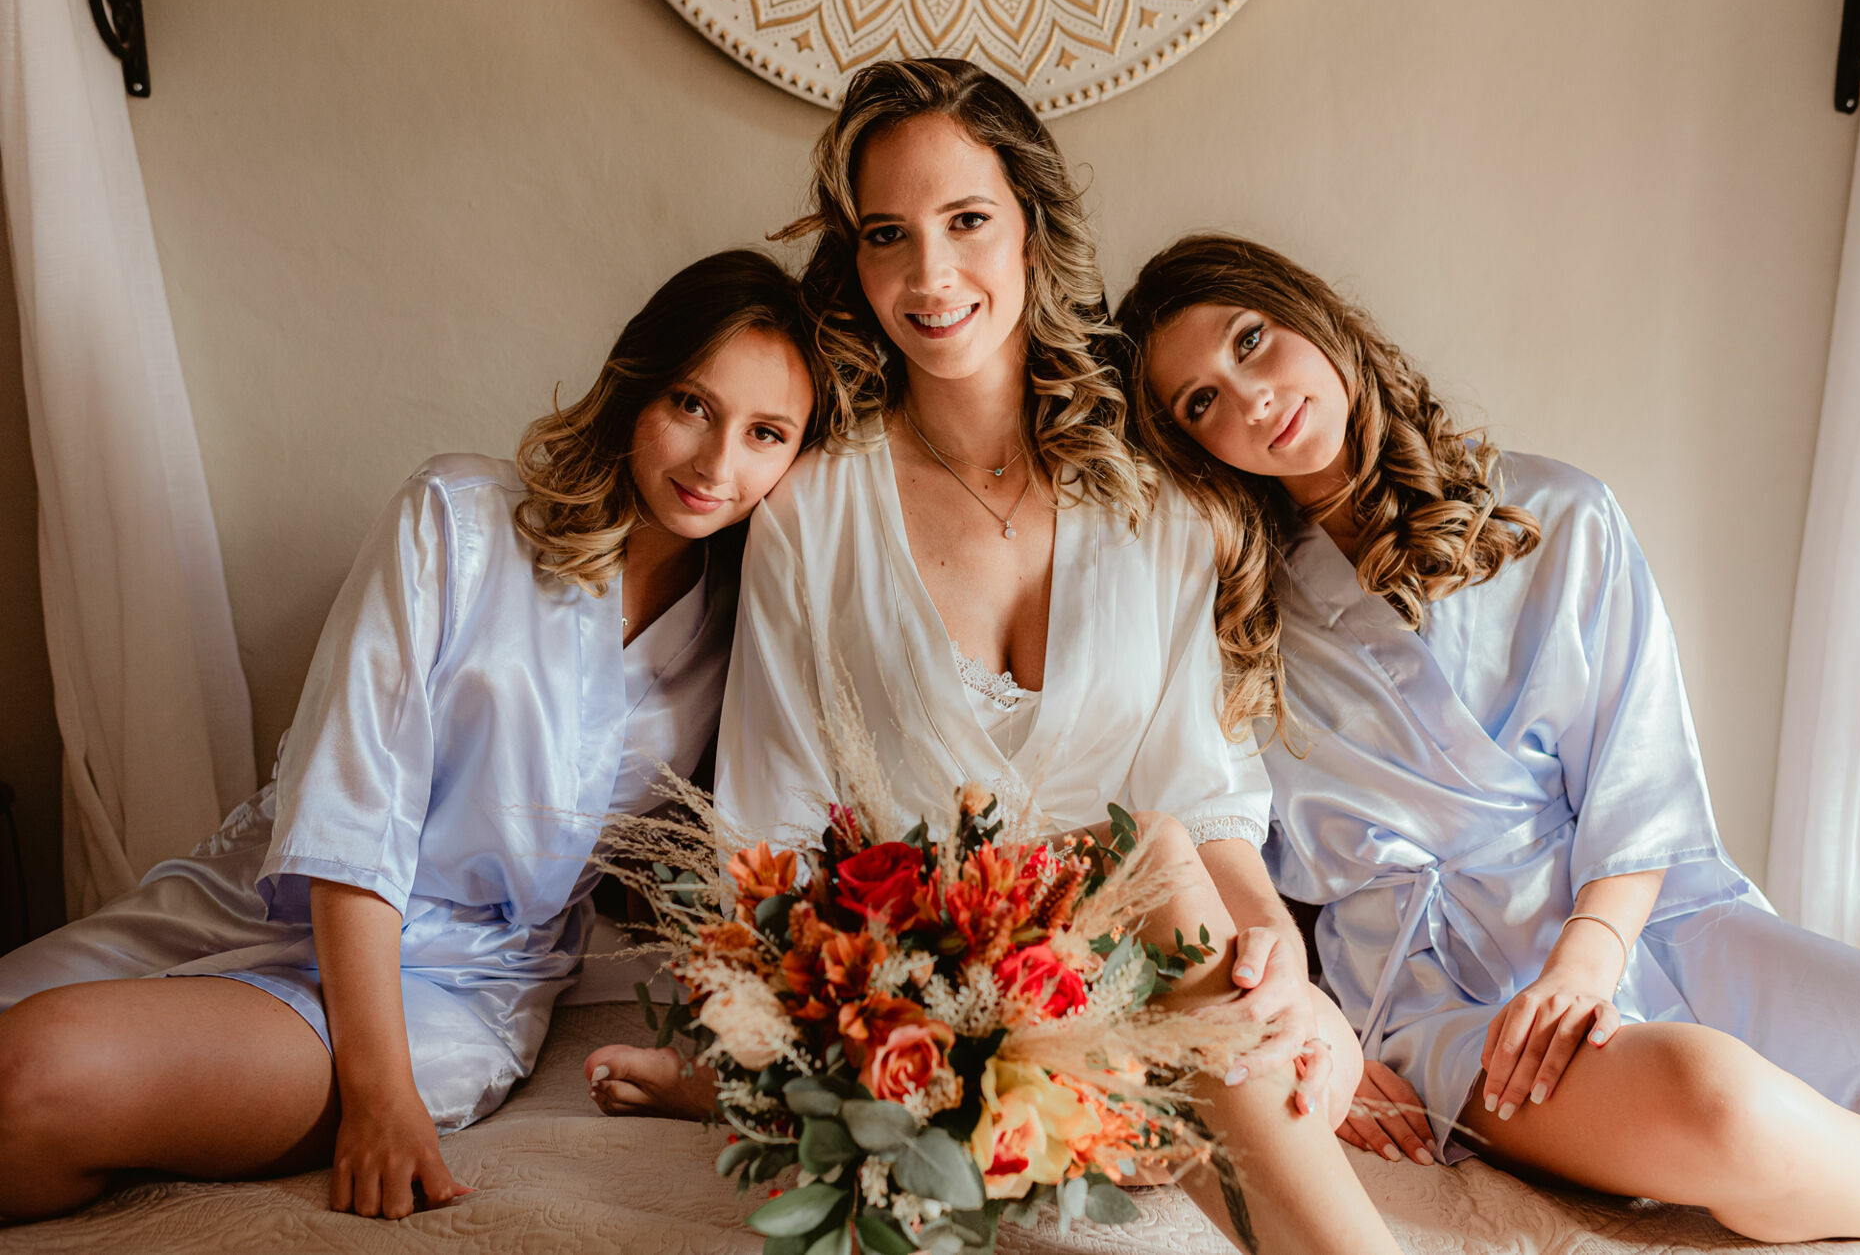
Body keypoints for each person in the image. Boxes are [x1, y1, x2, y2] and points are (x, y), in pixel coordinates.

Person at [582, 61, 1400, 1255]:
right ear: (853, 264)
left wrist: (1285, 971)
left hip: (1143, 988)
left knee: (1203, 914)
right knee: (1153, 856)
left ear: (1030, 226)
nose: (930, 276)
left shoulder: (1163, 499)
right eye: (886, 236)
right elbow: (772, 832)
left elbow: (1209, 801)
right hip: (920, 995)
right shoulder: (813, 511)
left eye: (967, 221)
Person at [1118, 232, 1860, 1243]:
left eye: (1251, 340)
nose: (1248, 400)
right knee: (1721, 1105)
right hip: (1444, 997)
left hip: (1644, 920)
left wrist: (1585, 964)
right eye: (1200, 404)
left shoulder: (1561, 515)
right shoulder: (1236, 623)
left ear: (1312, 318)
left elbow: (1645, 792)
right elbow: (1220, 839)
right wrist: (1322, 1026)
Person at [0, 249, 825, 1223]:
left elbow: (771, 864)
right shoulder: (457, 519)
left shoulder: (748, 634)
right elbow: (353, 807)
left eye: (765, 432)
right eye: (693, 404)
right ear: (637, 384)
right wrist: (375, 1102)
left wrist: (388, 1094)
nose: (717, 464)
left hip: (455, 987)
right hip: (254, 905)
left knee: (30, 1078)